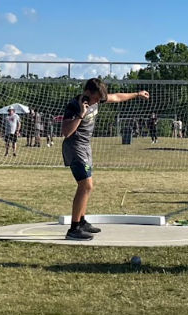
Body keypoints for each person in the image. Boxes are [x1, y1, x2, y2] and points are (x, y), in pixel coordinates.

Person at [61, 78, 149, 241]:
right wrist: (81, 113)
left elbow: (116, 97)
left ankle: (81, 221)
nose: (97, 102)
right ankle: (73, 229)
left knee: (88, 187)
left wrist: (137, 94)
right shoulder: (74, 105)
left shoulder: (96, 99)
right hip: (75, 148)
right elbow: (66, 132)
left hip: (86, 148)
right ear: (87, 92)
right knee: (85, 185)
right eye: (96, 99)